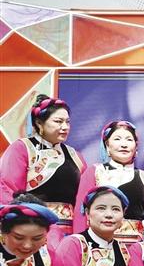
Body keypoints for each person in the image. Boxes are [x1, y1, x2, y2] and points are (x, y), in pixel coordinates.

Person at [0, 95, 86, 248]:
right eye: (58, 121)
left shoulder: (75, 156)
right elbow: (8, 189)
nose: (65, 127)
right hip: (33, 229)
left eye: (67, 122)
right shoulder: (22, 149)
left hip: (69, 232)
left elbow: (83, 201)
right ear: (39, 122)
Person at [74, 120, 144, 243]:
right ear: (107, 145)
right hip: (99, 244)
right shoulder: (95, 172)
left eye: (129, 140)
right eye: (117, 139)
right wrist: (81, 243)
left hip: (136, 245)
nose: (124, 144)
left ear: (136, 146)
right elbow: (80, 213)